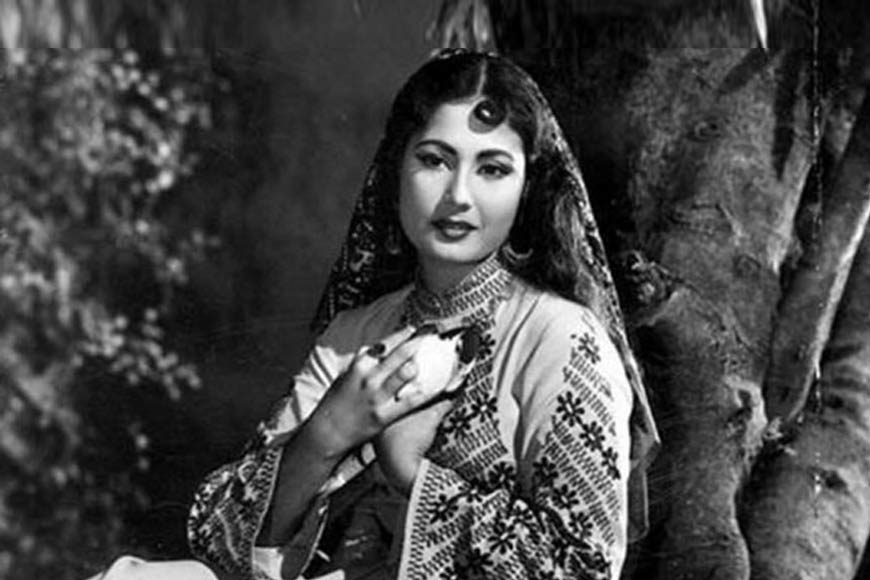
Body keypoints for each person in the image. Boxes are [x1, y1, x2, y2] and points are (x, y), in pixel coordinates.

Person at [187, 49, 658, 580]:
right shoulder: (355, 333)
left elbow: (584, 566)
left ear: (526, 190)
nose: (458, 196)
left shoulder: (561, 337)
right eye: (435, 160)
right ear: (396, 170)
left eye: (492, 169)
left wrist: (412, 473)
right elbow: (217, 538)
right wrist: (327, 434)